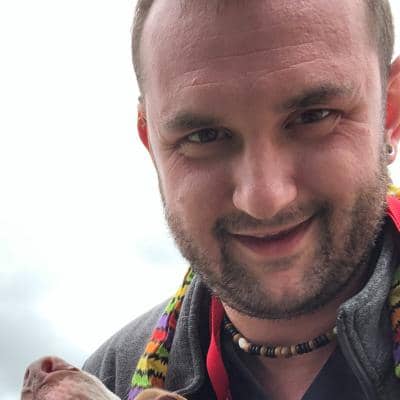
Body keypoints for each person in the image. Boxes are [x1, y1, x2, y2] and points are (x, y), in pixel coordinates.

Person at [83, 0, 400, 399]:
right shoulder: (109, 379)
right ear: (152, 146)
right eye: (204, 136)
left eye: (313, 116)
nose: (264, 199)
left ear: (390, 113)